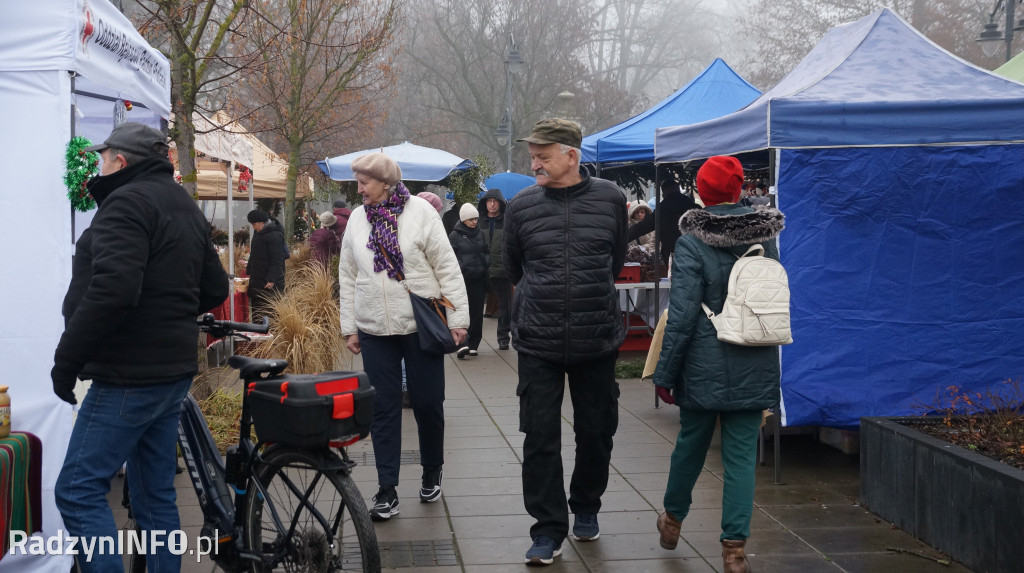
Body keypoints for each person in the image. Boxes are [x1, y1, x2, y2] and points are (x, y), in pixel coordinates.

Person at [52, 122, 228, 573]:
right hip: (170, 373)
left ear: (121, 161)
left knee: (76, 490)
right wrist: (167, 307)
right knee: (154, 497)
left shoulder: (126, 203)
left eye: (104, 157)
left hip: (129, 375)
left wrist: (66, 360)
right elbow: (214, 287)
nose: (99, 164)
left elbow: (113, 290)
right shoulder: (180, 203)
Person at [652, 156, 785, 573]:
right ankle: (734, 551)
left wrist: (666, 373)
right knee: (742, 458)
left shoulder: (693, 242)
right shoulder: (768, 239)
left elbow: (684, 314)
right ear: (739, 189)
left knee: (690, 445)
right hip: (754, 357)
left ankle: (673, 520)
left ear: (702, 193)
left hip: (704, 364)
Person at [504, 118, 628, 565]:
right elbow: (515, 267)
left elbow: (614, 261)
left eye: (542, 155)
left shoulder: (612, 199)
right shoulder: (520, 207)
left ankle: (587, 505)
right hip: (539, 339)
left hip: (596, 338)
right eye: (531, 154)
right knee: (539, 435)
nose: (533, 162)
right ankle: (547, 529)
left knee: (597, 430)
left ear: (571, 156)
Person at [338, 152, 469, 520]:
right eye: (358, 182)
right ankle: (386, 489)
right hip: (374, 326)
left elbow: (446, 265)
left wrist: (458, 318)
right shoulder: (357, 221)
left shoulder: (421, 213)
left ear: (386, 183)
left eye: (365, 182)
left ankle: (431, 470)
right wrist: (350, 326)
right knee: (383, 407)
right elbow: (347, 275)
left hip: (419, 323)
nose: (359, 189)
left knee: (428, 404)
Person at [448, 203, 489, 359]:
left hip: (478, 278)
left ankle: (474, 344)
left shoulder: (480, 234)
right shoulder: (454, 236)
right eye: (471, 219)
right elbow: (451, 257)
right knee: (461, 311)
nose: (474, 222)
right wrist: (462, 266)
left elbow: (486, 251)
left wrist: (485, 263)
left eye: (476, 219)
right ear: (464, 219)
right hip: (462, 279)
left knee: (477, 313)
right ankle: (462, 344)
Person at [627, 176, 699, 266]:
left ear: (664, 193)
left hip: (672, 253)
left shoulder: (663, 209)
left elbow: (643, 227)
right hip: (694, 252)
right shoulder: (693, 206)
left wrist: (623, 238)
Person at [476, 188, 511, 349]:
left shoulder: (507, 222)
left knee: (506, 306)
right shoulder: (477, 222)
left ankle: (503, 337)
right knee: (474, 306)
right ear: (484, 203)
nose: (492, 204)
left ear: (500, 204)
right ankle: (471, 340)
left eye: (495, 201)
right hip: (479, 269)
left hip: (501, 269)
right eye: (489, 201)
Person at [246, 209, 286, 321]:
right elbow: (254, 252)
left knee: (269, 310)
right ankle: (257, 332)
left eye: (254, 224)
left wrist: (272, 279)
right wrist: (249, 268)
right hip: (257, 277)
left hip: (269, 280)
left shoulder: (275, 235)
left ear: (262, 222)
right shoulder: (258, 232)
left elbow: (277, 259)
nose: (253, 227)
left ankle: (270, 334)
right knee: (257, 309)